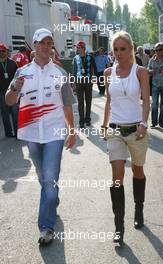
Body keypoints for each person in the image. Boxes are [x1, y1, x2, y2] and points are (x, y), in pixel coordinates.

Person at [5, 28, 76, 245]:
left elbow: (66, 105)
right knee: (43, 177)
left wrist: (71, 130)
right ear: (34, 46)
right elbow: (8, 101)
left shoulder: (61, 74)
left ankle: (46, 227)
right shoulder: (22, 73)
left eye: (49, 43)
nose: (46, 46)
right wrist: (15, 89)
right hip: (31, 133)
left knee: (49, 180)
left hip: (54, 134)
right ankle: (51, 198)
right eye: (42, 42)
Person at [101, 31, 150, 246]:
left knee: (137, 171)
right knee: (117, 174)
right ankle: (118, 226)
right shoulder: (108, 72)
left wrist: (144, 124)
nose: (119, 53)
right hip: (115, 129)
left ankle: (138, 208)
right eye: (116, 50)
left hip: (136, 130)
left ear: (131, 49)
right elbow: (109, 102)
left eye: (123, 49)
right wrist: (103, 125)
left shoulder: (141, 72)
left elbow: (146, 101)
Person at [73, 40, 97, 128]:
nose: (77, 49)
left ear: (83, 48)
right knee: (80, 102)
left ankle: (88, 120)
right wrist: (74, 83)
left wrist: (95, 78)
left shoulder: (90, 57)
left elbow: (95, 68)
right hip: (79, 83)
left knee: (88, 101)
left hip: (88, 82)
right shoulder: (75, 58)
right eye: (77, 48)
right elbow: (74, 71)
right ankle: (81, 122)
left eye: (78, 47)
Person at [0, 42, 18, 137]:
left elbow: (17, 76)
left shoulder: (12, 63)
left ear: (7, 52)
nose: (2, 53)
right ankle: (8, 132)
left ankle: (17, 133)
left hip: (12, 91)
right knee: (5, 114)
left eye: (3, 51)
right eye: (0, 51)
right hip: (1, 93)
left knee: (15, 113)